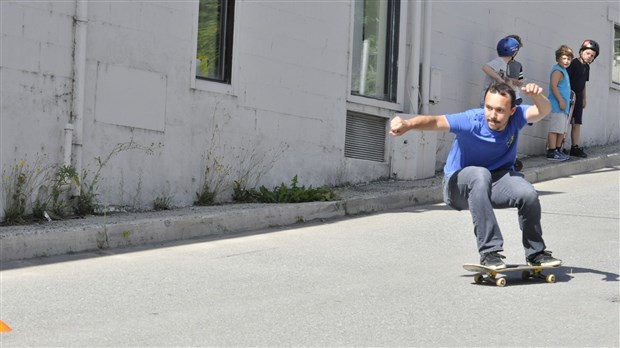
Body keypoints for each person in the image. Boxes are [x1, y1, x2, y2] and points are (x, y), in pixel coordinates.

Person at [389, 82, 562, 270]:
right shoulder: (471, 120)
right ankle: (490, 252)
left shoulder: (518, 117)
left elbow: (543, 110)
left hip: (496, 182)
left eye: (499, 110)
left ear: (512, 111)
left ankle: (536, 253)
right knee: (480, 174)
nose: (492, 115)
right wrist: (408, 124)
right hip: (458, 186)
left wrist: (537, 96)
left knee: (528, 194)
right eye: (488, 108)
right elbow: (436, 121)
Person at [566, 39, 599, 157]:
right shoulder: (574, 63)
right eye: (588, 53)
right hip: (570, 97)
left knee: (577, 123)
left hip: (579, 98)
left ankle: (574, 147)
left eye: (592, 56)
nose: (590, 57)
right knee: (565, 122)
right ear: (581, 52)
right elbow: (566, 80)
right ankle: (556, 147)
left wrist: (585, 98)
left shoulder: (587, 67)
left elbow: (584, 83)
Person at [546, 45, 574, 161]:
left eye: (568, 59)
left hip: (564, 106)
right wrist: (561, 100)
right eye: (564, 58)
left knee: (561, 130)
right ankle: (551, 151)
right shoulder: (557, 70)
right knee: (555, 129)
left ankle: (558, 149)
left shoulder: (564, 70)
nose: (566, 61)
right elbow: (553, 86)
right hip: (557, 105)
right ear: (558, 59)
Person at [481, 37, 522, 107]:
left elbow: (502, 76)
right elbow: (485, 67)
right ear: (514, 52)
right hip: (489, 99)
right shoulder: (500, 61)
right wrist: (499, 79)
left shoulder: (506, 63)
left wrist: (509, 80)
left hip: (496, 99)